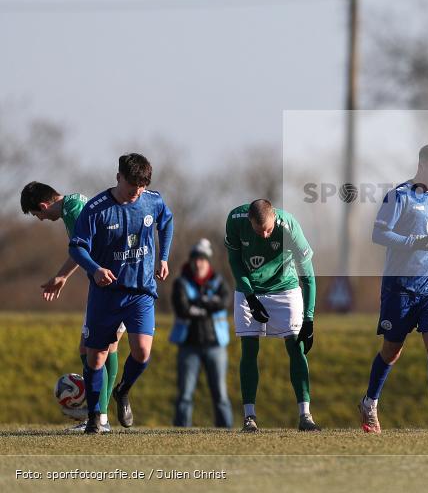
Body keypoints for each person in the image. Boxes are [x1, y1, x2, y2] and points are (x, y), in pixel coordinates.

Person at [68, 153, 174, 434]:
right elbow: (76, 247)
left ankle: (123, 390)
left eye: (140, 188)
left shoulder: (152, 200)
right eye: (131, 187)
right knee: (96, 358)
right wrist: (95, 268)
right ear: (118, 177)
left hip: (140, 292)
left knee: (142, 351)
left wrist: (163, 257)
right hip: (106, 294)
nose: (135, 193)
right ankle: (93, 418)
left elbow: (167, 222)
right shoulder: (96, 209)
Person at [358, 143, 428, 434]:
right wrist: (415, 242)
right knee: (392, 350)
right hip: (400, 287)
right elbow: (379, 234)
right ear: (423, 165)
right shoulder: (399, 196)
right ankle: (369, 402)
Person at [21, 182, 126, 432]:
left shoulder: (74, 210)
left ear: (44, 206)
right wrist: (63, 276)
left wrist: (65, 276)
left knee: (95, 347)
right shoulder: (74, 203)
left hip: (113, 282)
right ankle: (100, 417)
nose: (41, 220)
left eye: (38, 215)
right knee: (104, 346)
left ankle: (98, 417)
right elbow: (83, 249)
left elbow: (85, 248)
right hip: (114, 279)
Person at [224, 199, 319, 433]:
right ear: (250, 221)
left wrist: (309, 319)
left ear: (274, 217)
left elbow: (308, 276)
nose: (265, 235)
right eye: (259, 230)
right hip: (250, 288)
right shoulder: (235, 220)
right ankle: (249, 417)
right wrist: (249, 295)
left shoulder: (289, 227)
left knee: (296, 347)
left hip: (284, 287)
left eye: (268, 229)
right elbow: (235, 262)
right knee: (249, 348)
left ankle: (305, 415)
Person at [169, 238, 234, 428]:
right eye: (195, 259)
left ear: (208, 261)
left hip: (216, 345)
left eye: (202, 259)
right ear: (190, 261)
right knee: (185, 394)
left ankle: (225, 432)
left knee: (221, 395)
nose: (198, 263)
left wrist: (198, 304)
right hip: (188, 345)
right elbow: (182, 308)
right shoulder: (181, 282)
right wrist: (208, 303)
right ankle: (180, 432)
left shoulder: (218, 281)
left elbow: (224, 301)